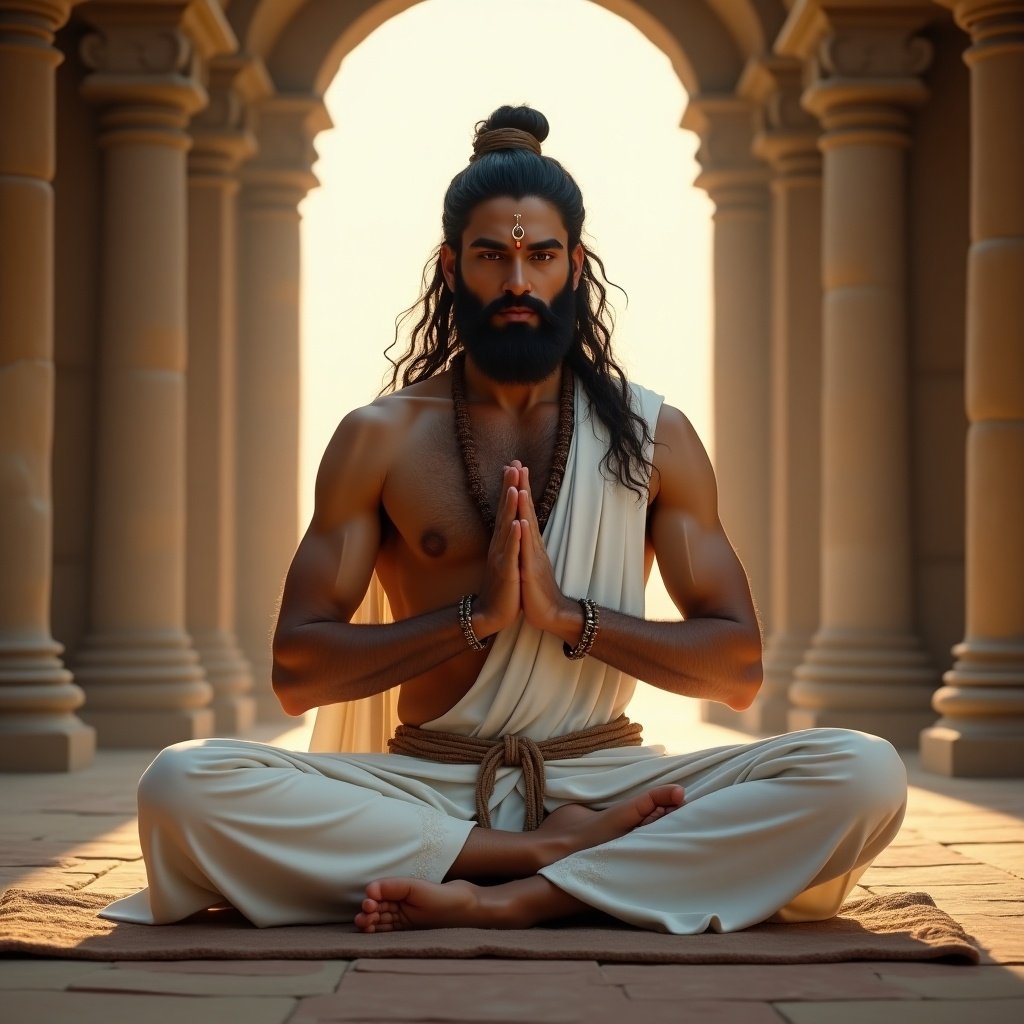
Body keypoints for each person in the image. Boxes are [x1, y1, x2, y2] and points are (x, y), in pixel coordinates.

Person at [100, 105, 907, 935]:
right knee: (181, 783)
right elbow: (298, 672)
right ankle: (523, 858)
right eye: (493, 255)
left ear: (575, 266)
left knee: (862, 772)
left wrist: (569, 620)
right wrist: (473, 620)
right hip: (427, 788)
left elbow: (736, 671)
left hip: (606, 780)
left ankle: (523, 896)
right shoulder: (380, 439)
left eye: (540, 255)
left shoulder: (654, 436)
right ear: (452, 268)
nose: (517, 281)